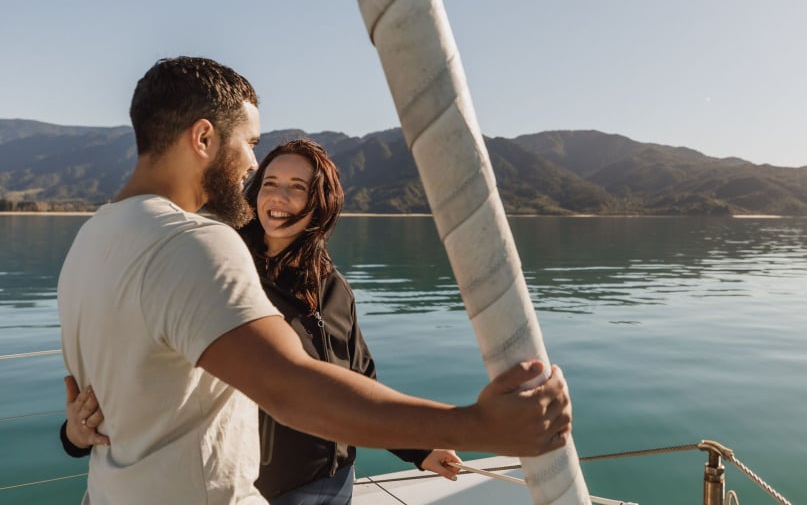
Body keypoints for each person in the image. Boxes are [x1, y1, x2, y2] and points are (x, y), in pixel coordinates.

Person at [58, 56, 571, 505]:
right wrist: (478, 425)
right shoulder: (195, 244)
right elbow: (291, 388)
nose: (253, 166)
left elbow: (117, 386)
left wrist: (74, 434)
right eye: (251, 144)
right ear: (204, 137)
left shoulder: (91, 242)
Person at [62, 138, 462, 504]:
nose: (279, 196)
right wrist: (74, 437)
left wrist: (419, 449)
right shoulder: (222, 273)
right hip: (263, 488)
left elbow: (360, 379)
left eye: (297, 187)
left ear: (319, 202)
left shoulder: (332, 285)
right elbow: (151, 369)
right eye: (270, 182)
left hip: (337, 480)